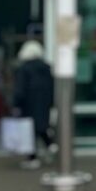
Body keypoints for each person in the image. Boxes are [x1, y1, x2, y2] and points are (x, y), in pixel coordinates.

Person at [13, 40, 55, 170]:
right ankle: (51, 146)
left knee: (29, 132)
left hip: (29, 104)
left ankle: (33, 158)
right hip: (44, 104)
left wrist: (16, 104)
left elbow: (20, 89)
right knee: (41, 127)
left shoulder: (24, 69)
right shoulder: (46, 68)